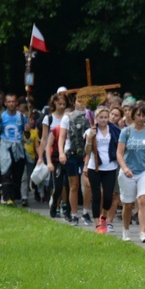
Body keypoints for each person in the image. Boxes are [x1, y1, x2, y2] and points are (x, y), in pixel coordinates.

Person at [116, 103, 145, 242]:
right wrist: (124, 168)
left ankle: (143, 232)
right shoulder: (126, 132)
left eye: (143, 115)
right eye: (138, 115)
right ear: (133, 115)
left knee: (143, 200)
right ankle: (126, 230)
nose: (141, 118)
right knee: (128, 204)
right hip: (128, 170)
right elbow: (119, 153)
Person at [0, 92, 30, 206]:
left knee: (17, 173)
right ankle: (7, 198)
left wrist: (27, 130)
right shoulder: (1, 117)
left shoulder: (22, 117)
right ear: (5, 103)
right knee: (6, 172)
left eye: (13, 101)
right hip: (5, 146)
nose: (11, 104)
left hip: (18, 147)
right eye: (9, 102)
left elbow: (27, 136)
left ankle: (14, 196)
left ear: (16, 103)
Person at [84, 106, 121, 234]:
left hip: (110, 167)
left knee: (108, 196)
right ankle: (97, 224)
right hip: (95, 167)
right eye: (101, 117)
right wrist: (89, 139)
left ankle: (103, 217)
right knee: (96, 196)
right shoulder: (91, 131)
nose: (104, 120)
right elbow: (87, 151)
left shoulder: (114, 130)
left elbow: (120, 145)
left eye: (106, 117)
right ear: (96, 118)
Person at [57, 94, 89, 225]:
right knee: (73, 185)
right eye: (78, 101)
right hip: (71, 153)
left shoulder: (90, 116)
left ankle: (86, 212)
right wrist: (61, 152)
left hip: (86, 153)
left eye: (83, 101)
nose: (81, 104)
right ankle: (74, 214)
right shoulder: (67, 117)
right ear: (74, 102)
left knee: (87, 184)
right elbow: (62, 136)